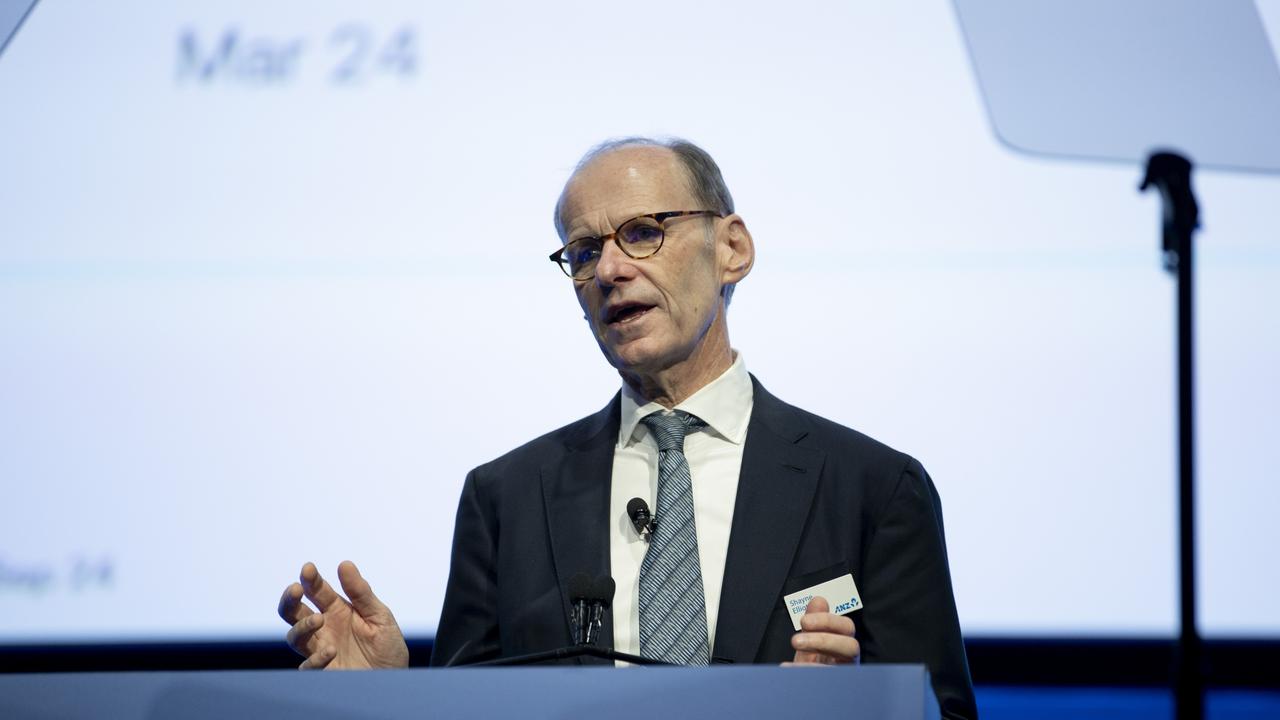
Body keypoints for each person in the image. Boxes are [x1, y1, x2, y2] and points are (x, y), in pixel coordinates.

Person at [278, 137, 978, 719]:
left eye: (643, 232)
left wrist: (854, 711)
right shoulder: (508, 499)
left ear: (732, 247)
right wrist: (391, 700)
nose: (610, 269)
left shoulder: (873, 489)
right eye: (583, 252)